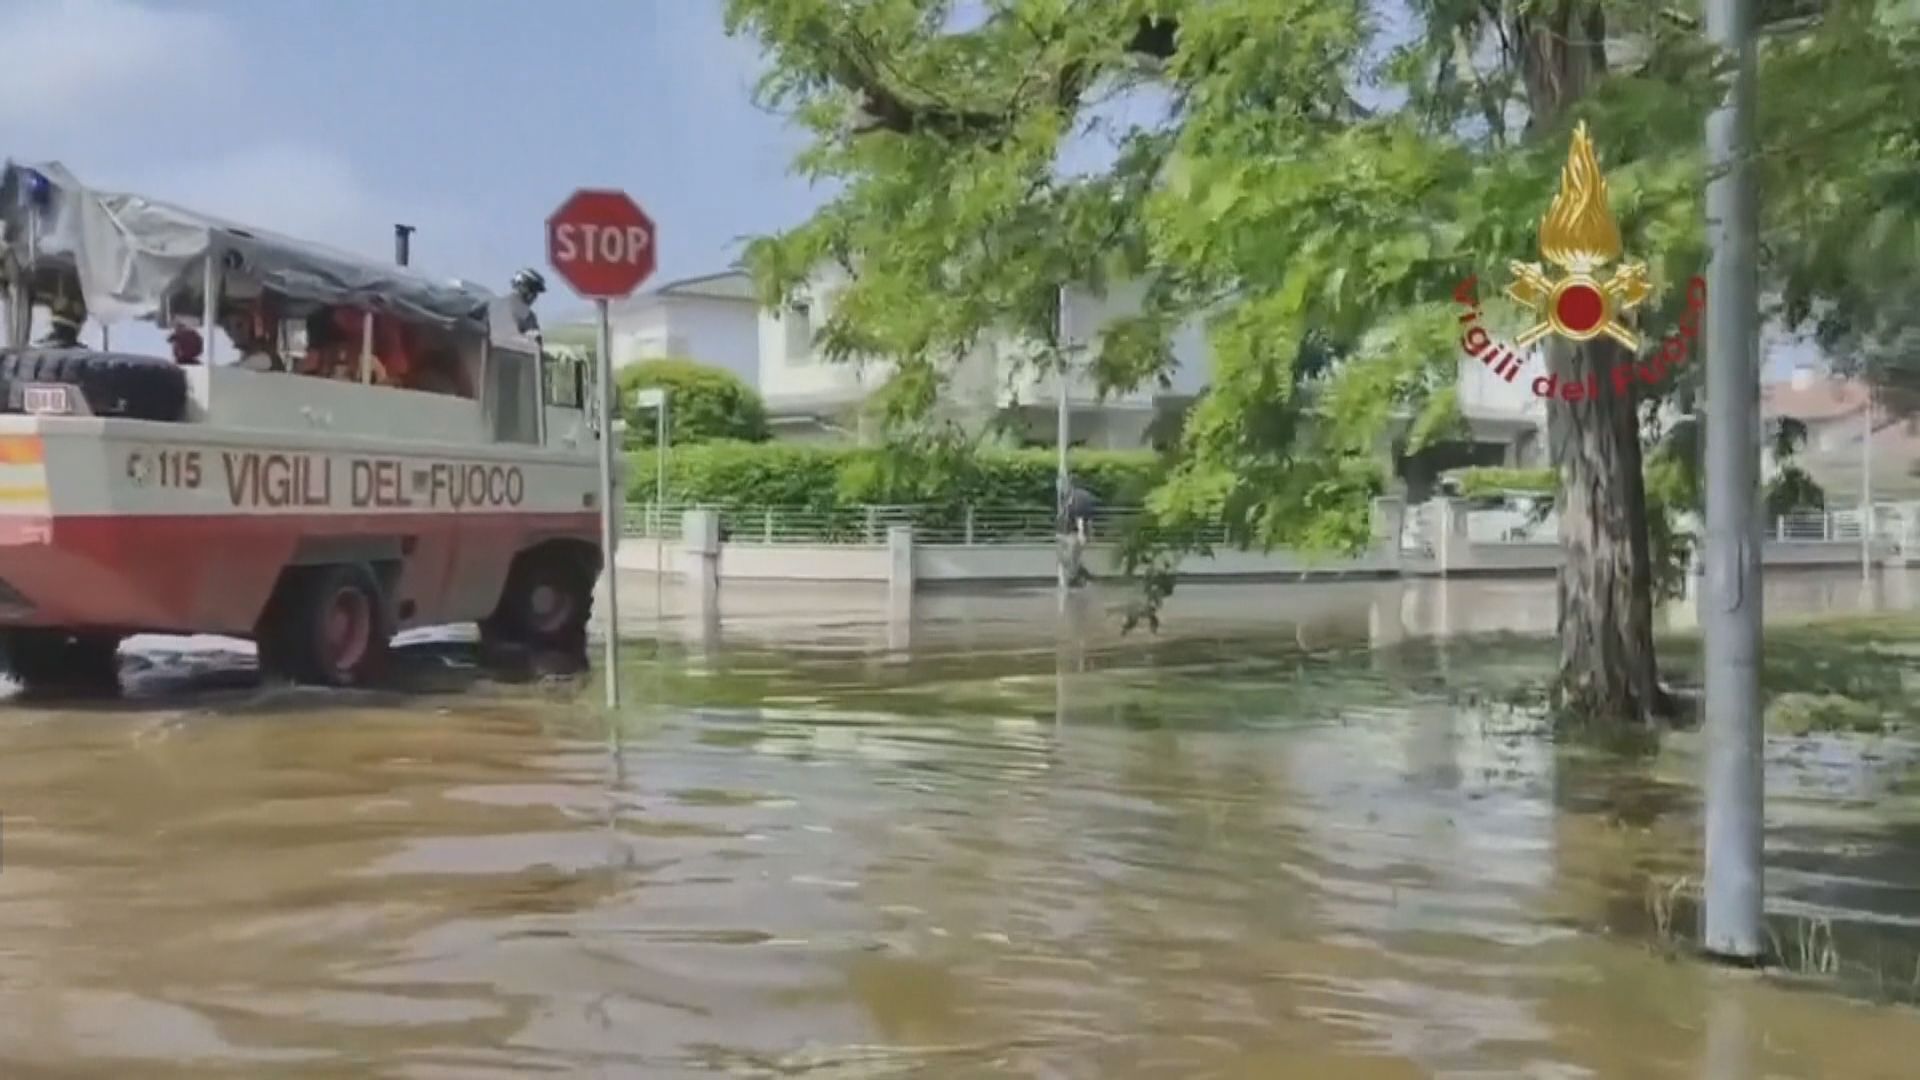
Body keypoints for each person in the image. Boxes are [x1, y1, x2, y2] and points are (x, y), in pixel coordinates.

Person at [508, 268, 545, 338]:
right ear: (520, 286)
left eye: (536, 292)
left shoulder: (530, 317)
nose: (534, 296)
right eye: (531, 289)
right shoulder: (502, 308)